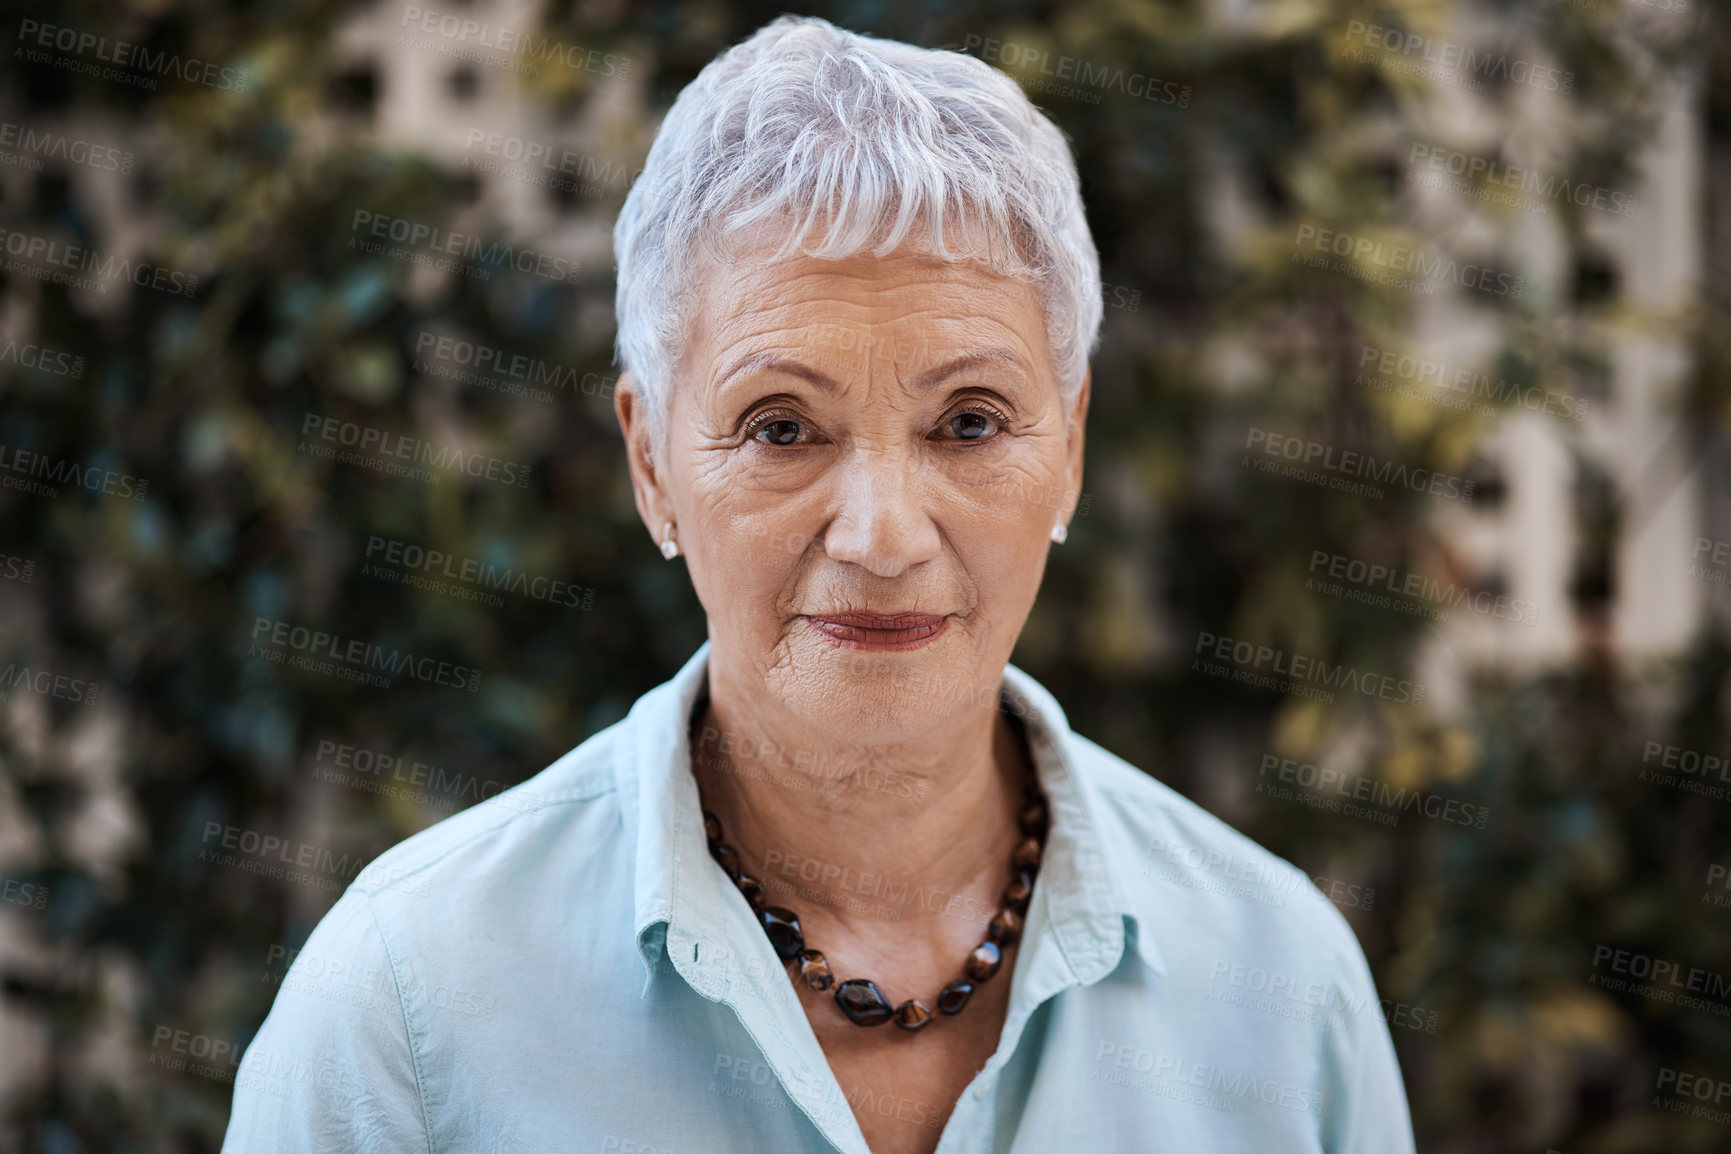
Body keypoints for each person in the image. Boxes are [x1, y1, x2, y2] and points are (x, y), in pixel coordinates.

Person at [223, 15, 1415, 1154]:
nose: (884, 536)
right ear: (651, 465)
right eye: (781, 425)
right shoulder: (408, 1001)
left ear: (1073, 450)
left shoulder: (1282, 982)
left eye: (970, 419)